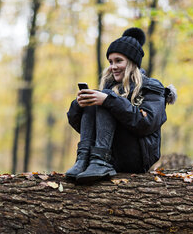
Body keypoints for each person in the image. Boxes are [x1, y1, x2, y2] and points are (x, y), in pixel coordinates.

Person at [65, 27, 176, 183]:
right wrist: (80, 104)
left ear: (131, 62)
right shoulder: (110, 87)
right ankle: (83, 160)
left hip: (137, 158)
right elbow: (84, 128)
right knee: (97, 98)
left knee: (107, 99)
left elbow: (146, 124)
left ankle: (100, 161)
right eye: (110, 62)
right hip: (108, 156)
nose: (113, 66)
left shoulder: (152, 88)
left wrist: (109, 101)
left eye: (118, 61)